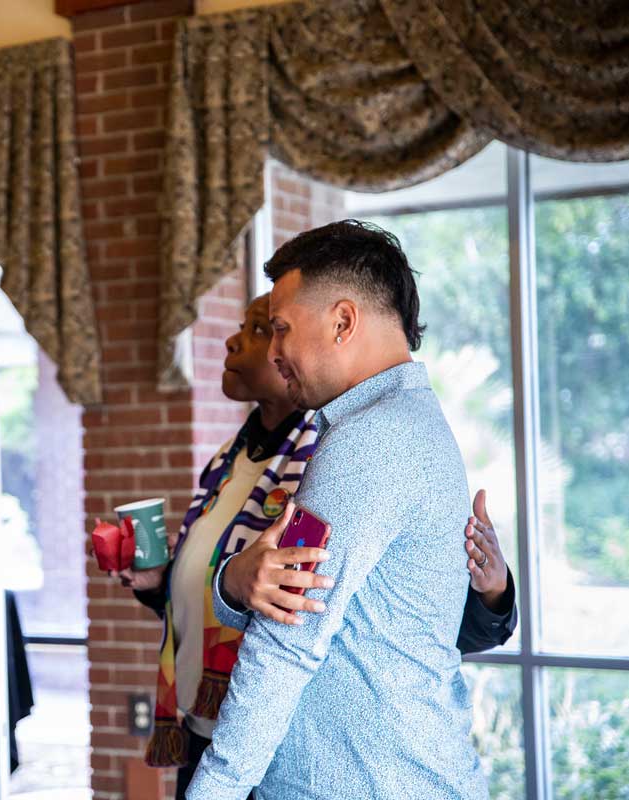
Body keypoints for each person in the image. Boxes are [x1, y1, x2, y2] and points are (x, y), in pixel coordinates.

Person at [114, 287, 517, 799]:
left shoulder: (341, 451)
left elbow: (351, 622)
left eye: (271, 328)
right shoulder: (228, 462)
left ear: (339, 325)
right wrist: (171, 582)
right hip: (221, 717)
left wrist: (493, 595)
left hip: (302, 746)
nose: (242, 343)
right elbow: (224, 586)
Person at [185, 220, 494, 799]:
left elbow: (287, 640)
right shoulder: (396, 423)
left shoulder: (371, 440)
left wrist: (213, 792)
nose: (273, 353)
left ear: (343, 321)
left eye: (279, 330)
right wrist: (234, 581)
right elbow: (280, 591)